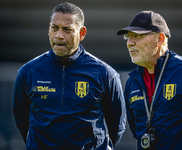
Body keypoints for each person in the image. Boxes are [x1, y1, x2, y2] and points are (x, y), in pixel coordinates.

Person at [13, 2, 126, 150]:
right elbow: (21, 121)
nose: (59, 35)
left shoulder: (105, 74)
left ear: (82, 33)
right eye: (55, 28)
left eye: (67, 29)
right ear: (49, 29)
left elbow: (117, 126)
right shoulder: (28, 72)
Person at [117, 10, 182, 150]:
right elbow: (136, 129)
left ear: (160, 39)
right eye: (128, 36)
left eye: (137, 36)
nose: (130, 43)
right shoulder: (132, 82)